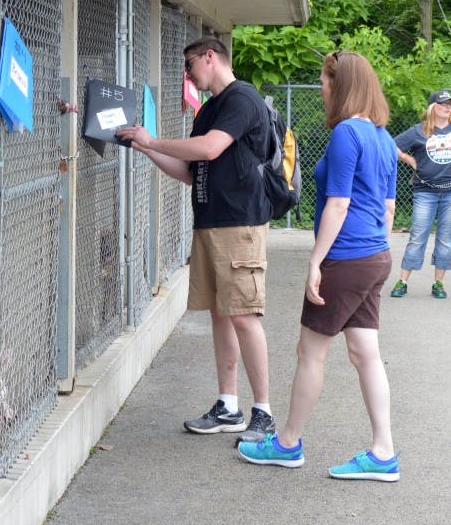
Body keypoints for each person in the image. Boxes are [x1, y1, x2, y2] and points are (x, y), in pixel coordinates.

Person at [237, 51, 400, 481]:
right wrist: (374, 254)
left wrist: (316, 260)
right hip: (375, 255)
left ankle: (287, 443)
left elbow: (340, 202)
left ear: (341, 85)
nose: (322, 88)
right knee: (366, 353)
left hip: (346, 257)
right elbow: (387, 208)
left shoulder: (348, 133)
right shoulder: (384, 137)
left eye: (326, 81)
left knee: (310, 352)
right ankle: (384, 452)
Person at [115, 37, 276, 441]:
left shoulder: (243, 99)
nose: (187, 74)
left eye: (190, 65)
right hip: (209, 222)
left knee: (243, 314)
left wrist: (154, 139)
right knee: (221, 314)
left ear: (210, 57)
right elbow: (191, 170)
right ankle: (228, 405)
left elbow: (209, 149)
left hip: (240, 225)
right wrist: (145, 148)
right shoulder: (208, 110)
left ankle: (264, 412)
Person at [390, 90, 451, 299]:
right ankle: (403, 281)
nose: (448, 107)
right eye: (443, 103)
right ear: (433, 106)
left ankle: (438, 283)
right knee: (418, 236)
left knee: (446, 239)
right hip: (425, 191)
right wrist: (409, 160)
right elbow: (391, 145)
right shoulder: (419, 131)